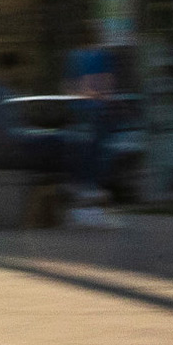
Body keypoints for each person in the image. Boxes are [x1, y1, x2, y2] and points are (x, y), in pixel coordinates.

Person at [59, 30, 124, 229]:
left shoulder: (75, 57)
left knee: (86, 154)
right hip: (96, 110)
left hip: (81, 110)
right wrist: (102, 95)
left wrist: (80, 95)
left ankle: (82, 202)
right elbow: (108, 81)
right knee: (97, 153)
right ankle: (90, 203)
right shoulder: (102, 56)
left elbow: (68, 84)